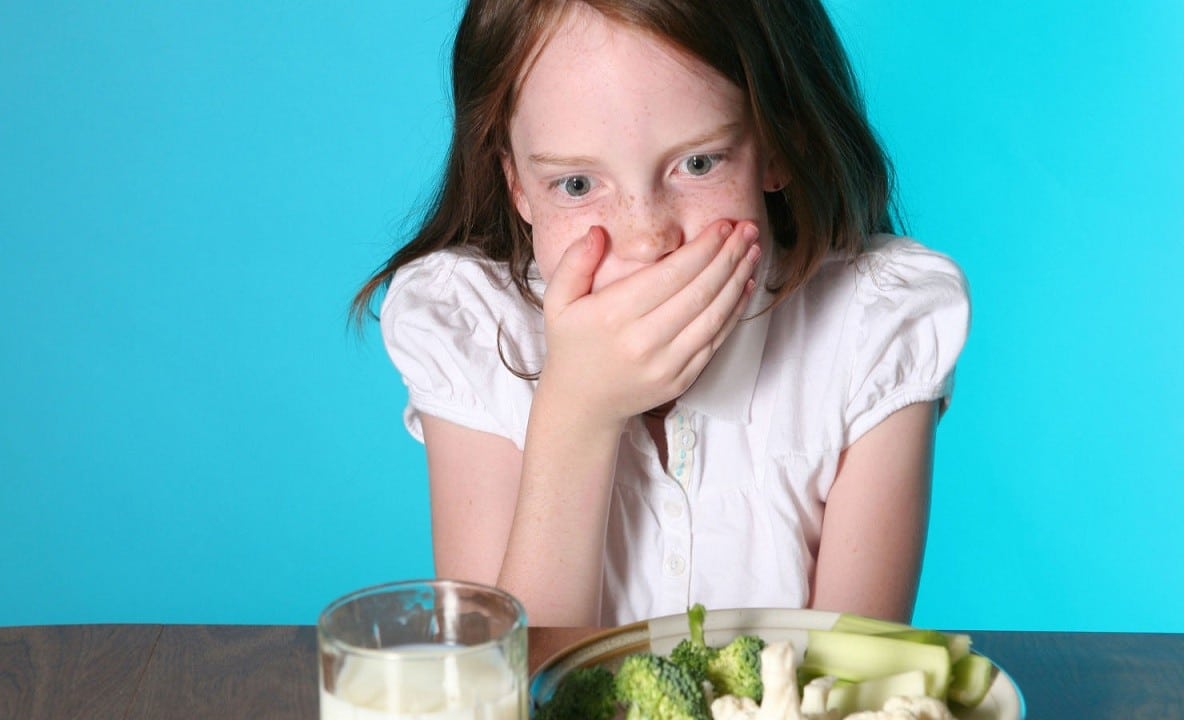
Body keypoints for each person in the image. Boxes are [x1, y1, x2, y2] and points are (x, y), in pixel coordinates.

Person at [352, 0, 969, 628]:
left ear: (779, 146)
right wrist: (577, 411)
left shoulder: (875, 329)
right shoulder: (473, 329)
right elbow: (502, 684)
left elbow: (855, 682)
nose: (646, 237)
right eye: (576, 184)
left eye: (697, 164)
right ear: (516, 184)